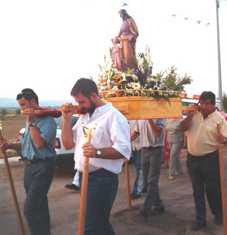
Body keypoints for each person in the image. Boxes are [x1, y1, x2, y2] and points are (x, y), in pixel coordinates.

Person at [61, 78, 131, 235]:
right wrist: (65, 120)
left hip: (103, 179)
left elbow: (124, 150)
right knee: (98, 224)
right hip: (83, 176)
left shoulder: (114, 116)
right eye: (77, 102)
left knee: (91, 227)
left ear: (93, 96)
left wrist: (97, 152)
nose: (79, 106)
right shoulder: (85, 116)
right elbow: (67, 144)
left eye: (82, 102)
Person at [0, 88, 57, 235]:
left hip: (43, 166)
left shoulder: (48, 121)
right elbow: (26, 145)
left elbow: (39, 144)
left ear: (33, 102)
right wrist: (9, 145)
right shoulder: (29, 122)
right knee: (40, 205)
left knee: (30, 209)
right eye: (20, 106)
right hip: (29, 167)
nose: (22, 109)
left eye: (24, 104)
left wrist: (31, 122)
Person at [180, 91, 227, 231]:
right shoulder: (194, 115)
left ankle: (219, 214)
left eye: (207, 104)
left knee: (213, 190)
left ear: (213, 105)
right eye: (201, 103)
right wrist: (190, 115)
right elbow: (182, 128)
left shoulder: (219, 119)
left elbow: (225, 138)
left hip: (210, 159)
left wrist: (223, 140)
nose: (203, 106)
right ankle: (200, 220)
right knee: (197, 190)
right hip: (192, 158)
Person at [139, 119, 165, 217]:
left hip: (156, 150)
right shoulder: (140, 116)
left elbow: (158, 132)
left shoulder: (159, 115)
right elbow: (137, 131)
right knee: (147, 180)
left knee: (152, 180)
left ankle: (146, 207)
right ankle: (158, 204)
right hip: (144, 149)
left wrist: (150, 119)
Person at [129, 120, 143, 199]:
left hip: (140, 146)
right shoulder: (130, 118)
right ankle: (143, 186)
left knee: (140, 170)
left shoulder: (138, 118)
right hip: (134, 146)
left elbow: (136, 133)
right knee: (139, 169)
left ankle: (137, 190)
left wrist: (126, 141)